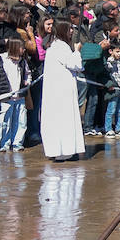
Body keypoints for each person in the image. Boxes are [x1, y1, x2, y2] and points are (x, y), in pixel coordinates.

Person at [40, 21, 86, 162]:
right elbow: (75, 65)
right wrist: (77, 50)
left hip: (60, 89)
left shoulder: (57, 45)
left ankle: (62, 150)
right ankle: (63, 150)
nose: (72, 31)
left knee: (59, 118)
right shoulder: (60, 46)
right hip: (61, 91)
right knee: (63, 118)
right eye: (69, 29)